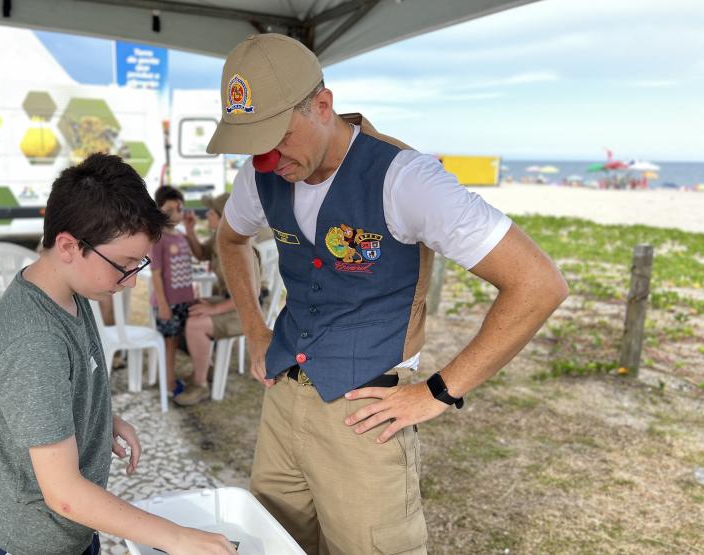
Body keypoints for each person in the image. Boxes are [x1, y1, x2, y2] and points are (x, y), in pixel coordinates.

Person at [210, 34, 569, 554]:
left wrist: (439, 391)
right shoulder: (261, 176)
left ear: (322, 106)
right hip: (283, 401)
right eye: (253, 145)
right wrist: (254, 326)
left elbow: (538, 283)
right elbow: (230, 239)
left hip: (366, 415)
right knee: (271, 542)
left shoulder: (406, 178)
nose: (265, 159)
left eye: (277, 137)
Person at [0, 153, 236, 555]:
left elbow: (58, 392)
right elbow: (63, 494)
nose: (130, 282)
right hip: (27, 540)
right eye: (125, 265)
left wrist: (102, 416)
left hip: (73, 531)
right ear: (69, 246)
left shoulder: (72, 291)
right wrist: (178, 538)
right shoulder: (33, 341)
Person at [174, 193, 260, 406]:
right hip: (230, 301)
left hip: (249, 310)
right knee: (184, 310)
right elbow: (201, 254)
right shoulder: (220, 238)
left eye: (211, 212)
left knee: (195, 324)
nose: (207, 214)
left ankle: (200, 383)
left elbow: (252, 294)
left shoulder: (241, 248)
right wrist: (191, 231)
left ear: (225, 217)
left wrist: (214, 309)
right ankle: (205, 363)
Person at [149, 185, 195, 397]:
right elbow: (156, 274)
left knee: (177, 342)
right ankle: (168, 383)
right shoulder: (158, 238)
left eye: (178, 208)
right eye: (168, 210)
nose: (175, 214)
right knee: (169, 344)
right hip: (168, 303)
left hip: (184, 300)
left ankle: (172, 377)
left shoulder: (181, 235)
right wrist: (163, 305)